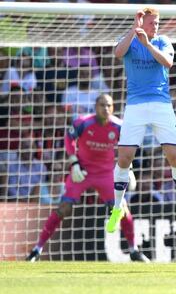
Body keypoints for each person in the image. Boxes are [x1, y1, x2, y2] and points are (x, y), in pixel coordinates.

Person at [26, 95, 148, 262]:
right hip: (83, 171)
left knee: (121, 210)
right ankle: (36, 249)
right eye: (102, 105)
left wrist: (129, 168)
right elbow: (69, 139)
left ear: (113, 108)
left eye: (109, 105)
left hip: (106, 174)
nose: (105, 108)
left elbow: (129, 146)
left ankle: (134, 250)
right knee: (64, 208)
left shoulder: (119, 126)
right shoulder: (82, 122)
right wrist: (74, 162)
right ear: (95, 106)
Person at [106, 8, 176, 235]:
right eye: (152, 22)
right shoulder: (130, 38)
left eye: (157, 22)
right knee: (124, 158)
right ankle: (117, 208)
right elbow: (117, 53)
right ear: (142, 22)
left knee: (175, 157)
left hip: (161, 104)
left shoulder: (163, 41)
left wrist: (147, 43)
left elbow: (168, 63)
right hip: (135, 105)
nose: (156, 26)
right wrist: (135, 31)